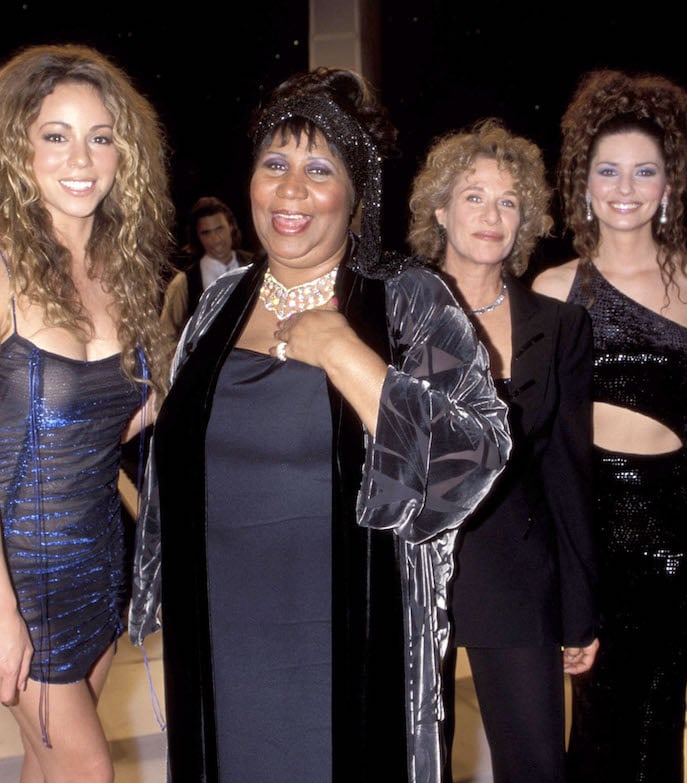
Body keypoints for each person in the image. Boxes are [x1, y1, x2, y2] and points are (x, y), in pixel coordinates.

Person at [129, 67, 510, 783]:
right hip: (220, 633)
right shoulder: (217, 308)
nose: (291, 190)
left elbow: (480, 450)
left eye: (318, 168)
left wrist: (347, 356)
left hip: (347, 642)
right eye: (274, 164)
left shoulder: (406, 300)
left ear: (357, 194)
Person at [0, 44, 172, 782]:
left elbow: (119, 416)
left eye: (101, 136)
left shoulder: (123, 270)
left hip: (98, 554)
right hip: (14, 566)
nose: (82, 157)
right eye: (55, 135)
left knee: (51, 767)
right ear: (17, 149)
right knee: (87, 770)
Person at [534, 69, 687, 782]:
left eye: (645, 171)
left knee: (660, 708)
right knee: (601, 711)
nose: (626, 187)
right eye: (608, 170)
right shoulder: (554, 288)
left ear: (669, 185)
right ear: (584, 182)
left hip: (677, 526)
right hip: (593, 526)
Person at [407, 118, 599, 783]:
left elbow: (568, 472)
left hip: (517, 571)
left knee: (539, 764)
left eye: (508, 200)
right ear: (440, 208)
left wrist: (579, 608)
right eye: (473, 195)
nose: (491, 214)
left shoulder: (561, 325)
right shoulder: (395, 312)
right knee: (414, 766)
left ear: (526, 221)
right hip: (411, 568)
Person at [160, 196, 254, 338]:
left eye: (219, 229)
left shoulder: (257, 268)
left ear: (231, 227)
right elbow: (166, 336)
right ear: (197, 236)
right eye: (206, 233)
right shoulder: (184, 283)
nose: (215, 239)